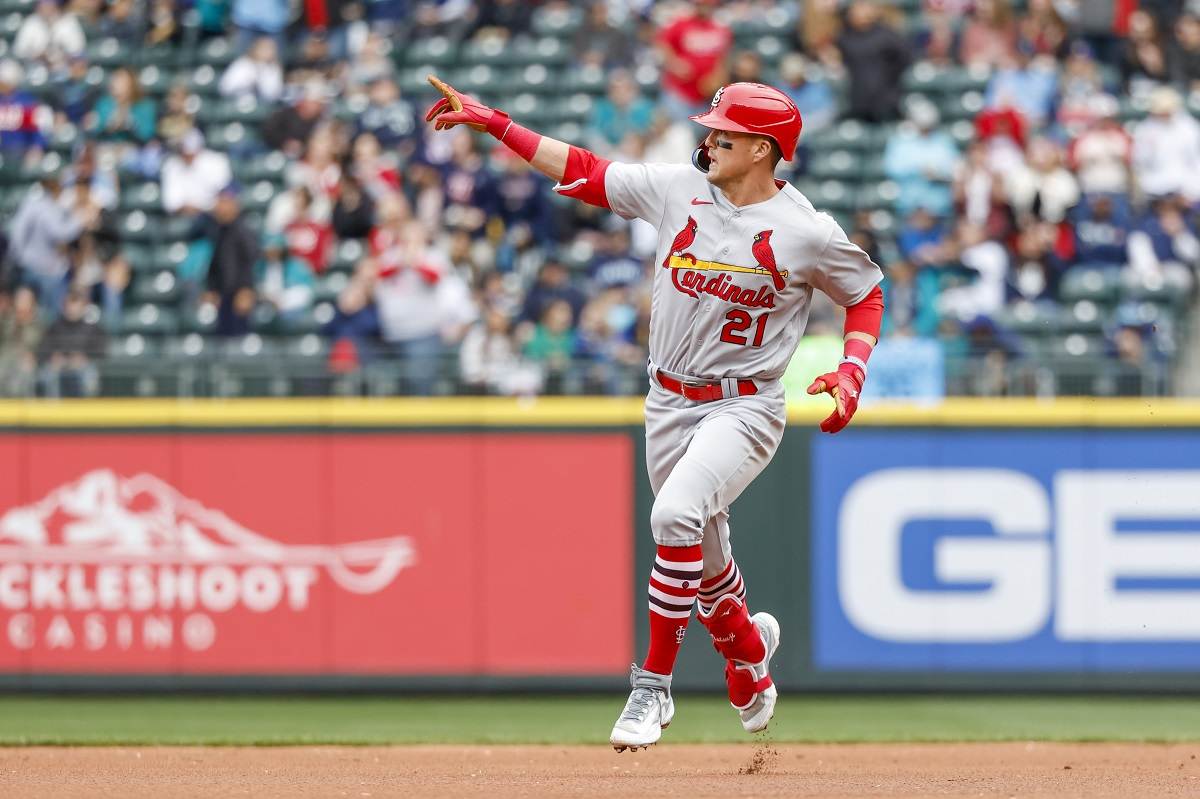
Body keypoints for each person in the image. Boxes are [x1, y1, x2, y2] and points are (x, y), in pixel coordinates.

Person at [424, 76, 883, 749]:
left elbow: (865, 292)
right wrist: (496, 123)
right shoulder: (677, 187)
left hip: (745, 405)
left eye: (723, 131)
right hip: (667, 399)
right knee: (701, 560)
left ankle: (651, 688)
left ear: (761, 148)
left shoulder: (804, 230)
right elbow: (583, 168)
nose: (709, 137)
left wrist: (852, 368)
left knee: (673, 515)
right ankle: (749, 656)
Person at [655, 0, 733, 120]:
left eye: (707, 5)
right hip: (680, 93)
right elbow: (662, 43)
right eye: (700, 4)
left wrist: (718, 76)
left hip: (706, 96)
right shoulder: (681, 24)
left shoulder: (720, 29)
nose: (703, 8)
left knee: (703, 136)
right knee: (680, 133)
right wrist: (674, 63)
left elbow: (723, 58)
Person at [837, 0, 911, 123]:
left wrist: (889, 77)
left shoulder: (886, 35)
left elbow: (905, 58)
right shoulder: (844, 36)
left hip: (886, 100)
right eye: (856, 9)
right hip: (858, 101)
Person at [201, 185, 260, 337]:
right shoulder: (218, 231)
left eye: (224, 202)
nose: (219, 207)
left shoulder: (243, 230)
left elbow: (253, 262)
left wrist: (247, 289)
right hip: (225, 297)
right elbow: (215, 264)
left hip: (241, 296)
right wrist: (212, 289)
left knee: (239, 338)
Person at [38, 289, 105, 398]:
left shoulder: (92, 328)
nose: (72, 309)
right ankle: (52, 411)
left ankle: (86, 410)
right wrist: (53, 357)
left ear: (83, 307)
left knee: (90, 376)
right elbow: (43, 348)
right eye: (70, 304)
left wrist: (85, 357)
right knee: (47, 375)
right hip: (59, 365)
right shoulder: (55, 327)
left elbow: (102, 350)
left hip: (83, 366)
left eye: (76, 304)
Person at [161, 128, 233, 217]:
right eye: (184, 151)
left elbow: (224, 196)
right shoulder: (171, 165)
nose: (188, 156)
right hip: (184, 216)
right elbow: (171, 203)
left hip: (212, 216)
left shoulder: (216, 161)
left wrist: (206, 207)